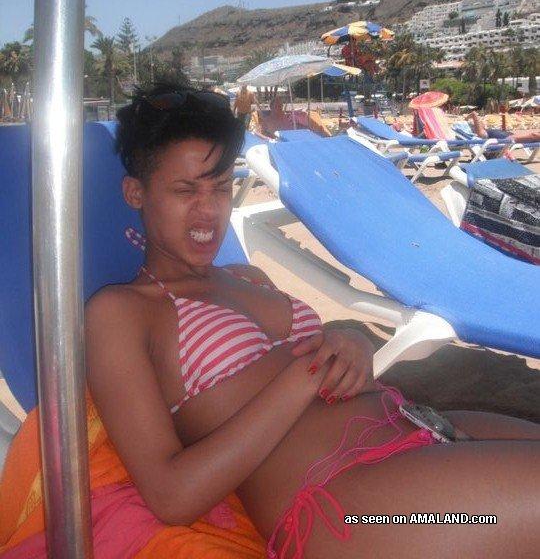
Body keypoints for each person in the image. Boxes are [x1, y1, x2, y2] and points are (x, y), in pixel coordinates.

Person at [85, 83, 540, 559]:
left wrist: (353, 345)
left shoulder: (248, 277)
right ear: (135, 192)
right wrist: (303, 377)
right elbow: (171, 495)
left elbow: (325, 366)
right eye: (185, 190)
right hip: (350, 506)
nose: (208, 210)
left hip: (418, 430)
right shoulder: (122, 312)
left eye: (219, 187)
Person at [467, 110, 540, 143]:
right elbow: (533, 135)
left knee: (482, 132)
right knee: (482, 134)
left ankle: (475, 116)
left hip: (505, 135)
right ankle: (474, 115)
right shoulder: (535, 136)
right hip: (505, 137)